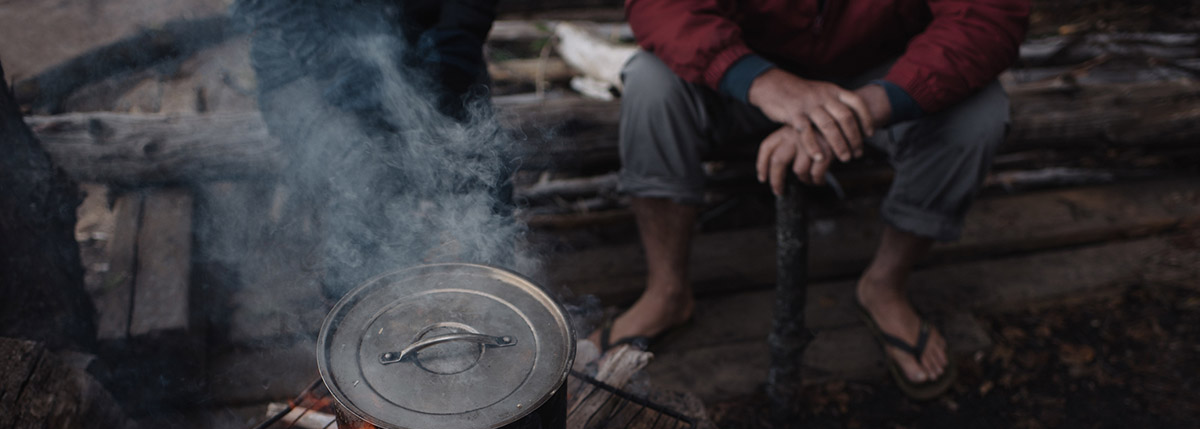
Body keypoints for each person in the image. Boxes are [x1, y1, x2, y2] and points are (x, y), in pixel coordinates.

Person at [606, 0, 1031, 398]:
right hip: (746, 69)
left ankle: (884, 285)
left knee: (980, 114)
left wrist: (858, 108)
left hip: (882, 75)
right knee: (650, 81)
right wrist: (762, 81)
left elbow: (987, 16)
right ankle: (666, 292)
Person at [233, 0, 511, 301]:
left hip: (433, 46)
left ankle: (498, 305)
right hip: (303, 65)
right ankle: (351, 315)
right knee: (366, 175)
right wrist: (333, 62)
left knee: (484, 166)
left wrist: (459, 37)